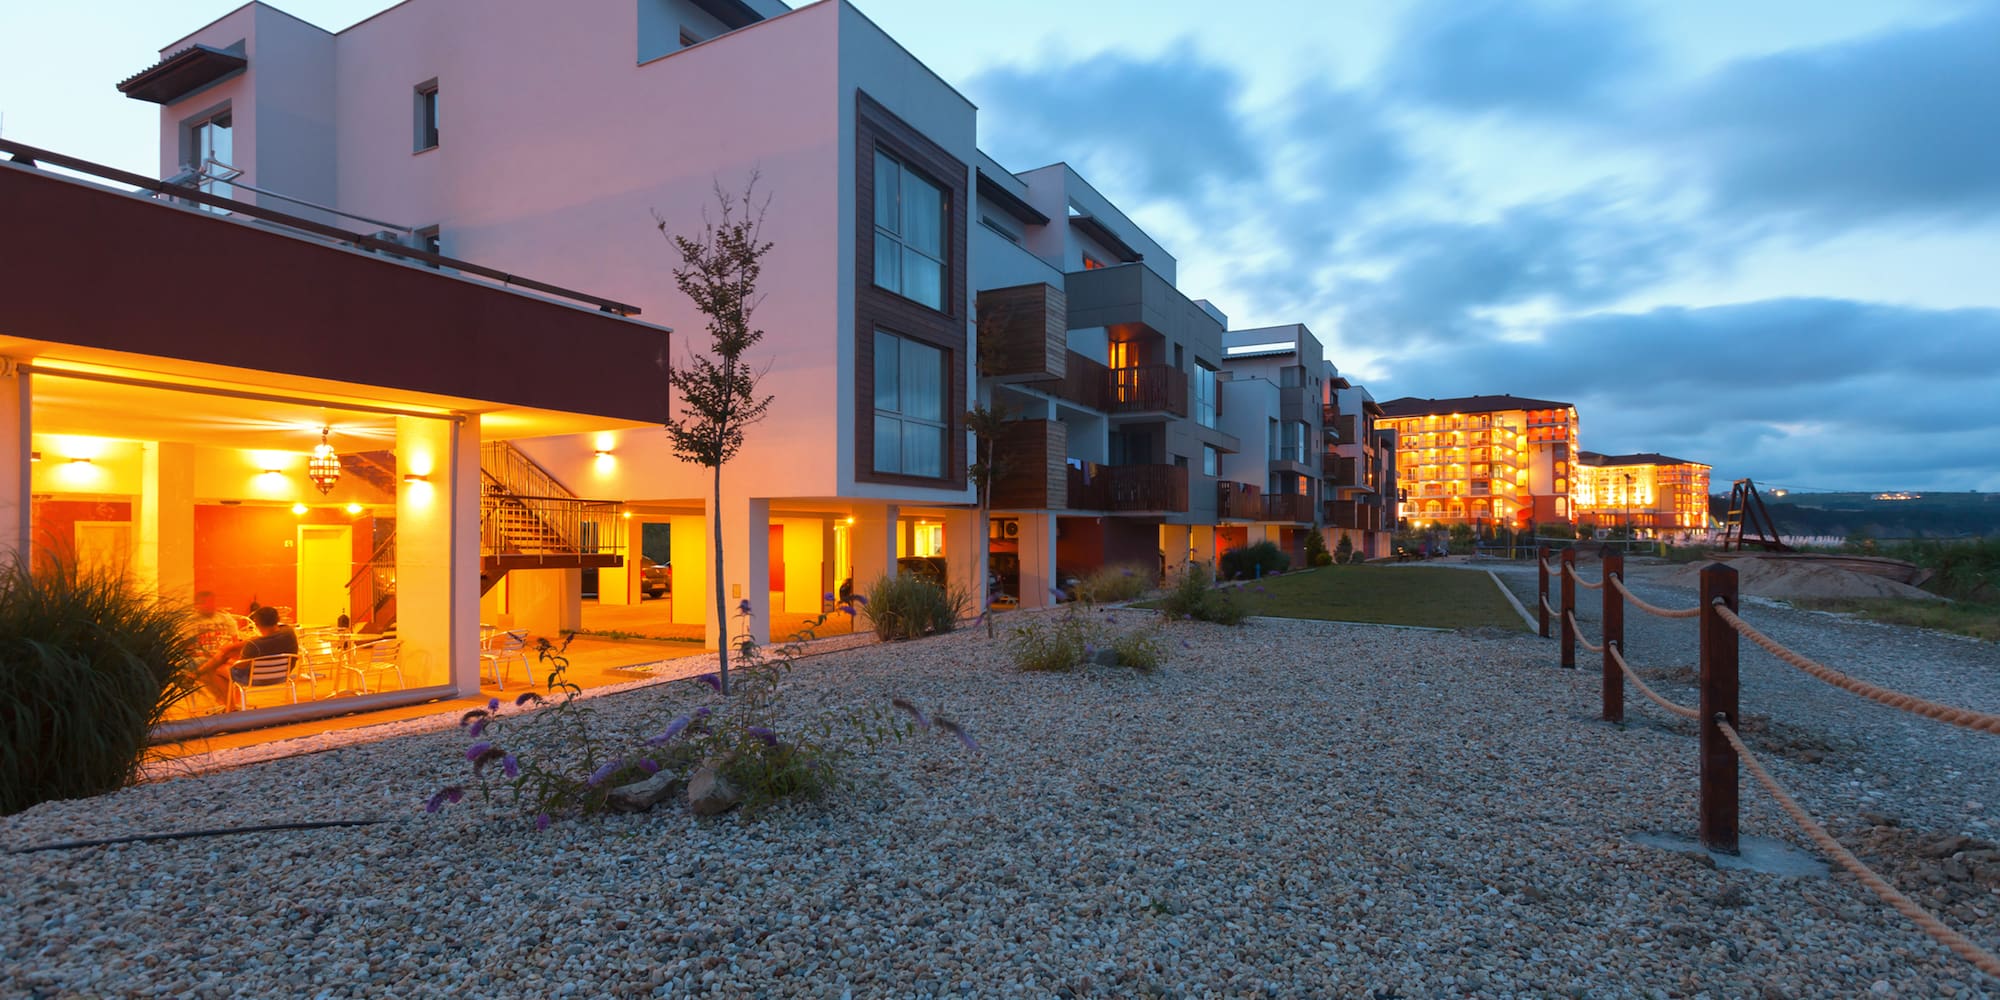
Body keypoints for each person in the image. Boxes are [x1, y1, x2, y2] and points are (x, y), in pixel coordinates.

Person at [196, 605, 299, 704]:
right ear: (277, 619)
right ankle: (198, 675)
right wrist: (233, 648)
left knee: (218, 670)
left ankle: (230, 707)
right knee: (227, 655)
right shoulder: (288, 632)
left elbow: (240, 666)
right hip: (283, 674)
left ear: (256, 623)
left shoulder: (254, 645)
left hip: (256, 679)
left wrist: (227, 659)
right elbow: (264, 639)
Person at [187, 590, 242, 656]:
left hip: (225, 656)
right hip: (201, 657)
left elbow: (235, 643)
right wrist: (205, 654)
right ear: (197, 605)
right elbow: (189, 650)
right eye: (204, 602)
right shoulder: (191, 621)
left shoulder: (226, 618)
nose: (209, 605)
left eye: (211, 602)